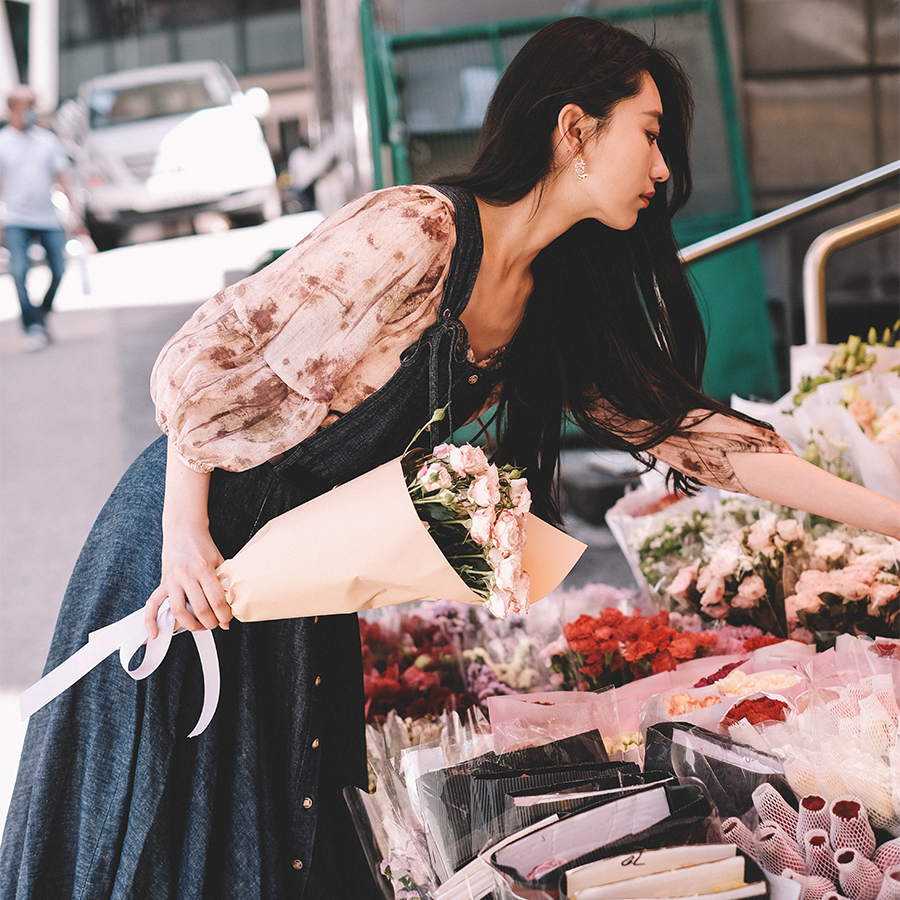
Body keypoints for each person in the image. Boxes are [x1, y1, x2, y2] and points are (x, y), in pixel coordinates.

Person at [2, 16, 899, 899]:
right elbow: (201, 361)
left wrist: (891, 516)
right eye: (652, 135)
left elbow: (699, 441)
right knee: (175, 820)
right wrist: (182, 533)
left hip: (297, 579)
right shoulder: (418, 231)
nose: (664, 170)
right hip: (192, 546)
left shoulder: (547, 296)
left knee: (286, 833)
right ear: (574, 131)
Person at [0, 85, 84, 352]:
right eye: (25, 105)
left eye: (33, 104)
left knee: (59, 268)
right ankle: (32, 326)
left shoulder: (46, 140)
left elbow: (63, 179)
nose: (30, 111)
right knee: (19, 271)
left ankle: (41, 312)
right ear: (12, 108)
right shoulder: (3, 142)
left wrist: (75, 216)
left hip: (47, 216)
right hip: (16, 218)